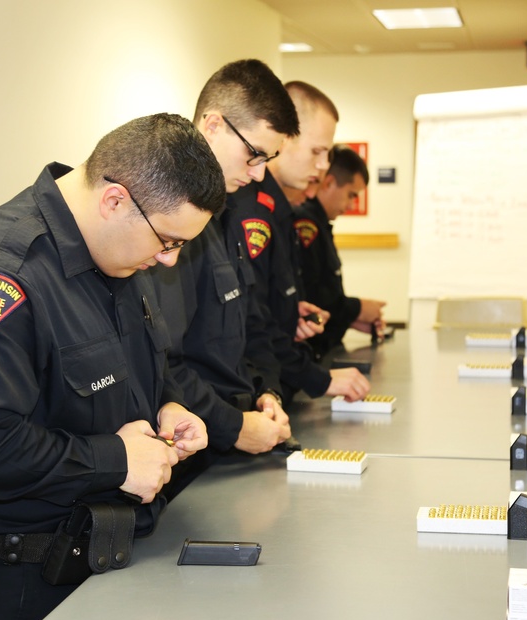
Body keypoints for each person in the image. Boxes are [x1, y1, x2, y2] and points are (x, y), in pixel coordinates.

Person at [0, 113, 225, 620]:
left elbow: (128, 374)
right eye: (169, 240)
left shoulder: (121, 256)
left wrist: (165, 409)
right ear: (115, 201)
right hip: (5, 605)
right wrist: (116, 460)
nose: (170, 259)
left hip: (99, 564)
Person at [151, 60, 297, 491]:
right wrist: (233, 425)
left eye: (267, 160)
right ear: (213, 124)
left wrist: (268, 393)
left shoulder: (226, 211)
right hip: (190, 455)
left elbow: (248, 321)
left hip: (236, 444)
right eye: (253, 155)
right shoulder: (167, 224)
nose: (258, 173)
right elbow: (162, 363)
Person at [228, 81, 370, 405]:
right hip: (256, 397)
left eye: (328, 153)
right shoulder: (250, 212)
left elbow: (267, 307)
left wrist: (291, 316)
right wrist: (317, 379)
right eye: (317, 151)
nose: (323, 166)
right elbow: (252, 326)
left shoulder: (279, 211)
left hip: (276, 389)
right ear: (284, 138)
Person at [294, 145, 386, 358]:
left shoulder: (320, 223)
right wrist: (358, 308)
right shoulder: (306, 224)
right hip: (308, 352)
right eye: (351, 195)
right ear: (329, 183)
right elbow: (313, 297)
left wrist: (351, 319)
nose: (353, 205)